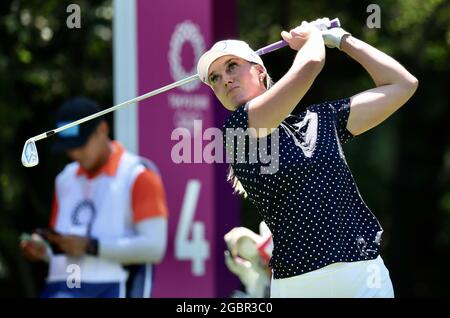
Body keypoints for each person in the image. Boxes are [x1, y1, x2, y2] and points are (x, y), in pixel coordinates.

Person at [196, 18, 418, 297]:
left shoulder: (321, 120)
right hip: (299, 283)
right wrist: (314, 36)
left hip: (364, 273)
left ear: (260, 72)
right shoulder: (235, 132)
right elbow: (311, 63)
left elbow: (403, 84)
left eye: (232, 66)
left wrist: (341, 39)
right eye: (215, 78)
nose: (225, 79)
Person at [20, 97, 169, 298]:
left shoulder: (138, 174)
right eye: (69, 147)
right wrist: (44, 250)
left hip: (113, 290)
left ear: (102, 129)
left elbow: (154, 248)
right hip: (63, 289)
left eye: (81, 144)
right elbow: (65, 249)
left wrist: (91, 246)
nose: (75, 153)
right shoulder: (65, 178)